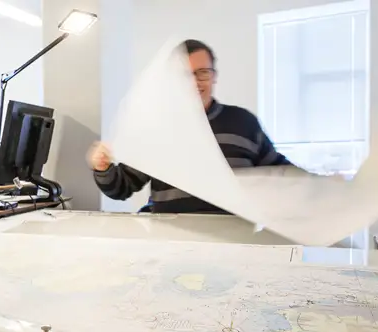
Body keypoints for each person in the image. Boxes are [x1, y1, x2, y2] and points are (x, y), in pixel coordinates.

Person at [89, 39, 292, 214]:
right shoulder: (155, 129)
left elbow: (282, 175)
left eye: (202, 73)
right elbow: (122, 187)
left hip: (235, 240)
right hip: (172, 240)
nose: (194, 82)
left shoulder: (244, 122)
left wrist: (311, 189)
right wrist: (103, 167)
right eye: (185, 75)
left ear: (214, 76)